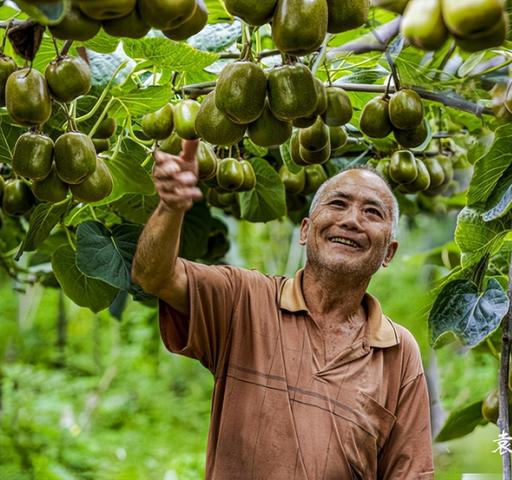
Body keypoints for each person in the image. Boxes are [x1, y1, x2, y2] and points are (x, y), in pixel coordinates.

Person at [132, 139, 434, 479]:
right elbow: (154, 276)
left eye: (372, 212)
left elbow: (409, 472)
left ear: (389, 253)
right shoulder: (243, 300)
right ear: (305, 230)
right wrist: (170, 207)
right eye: (338, 204)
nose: (352, 221)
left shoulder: (398, 351)